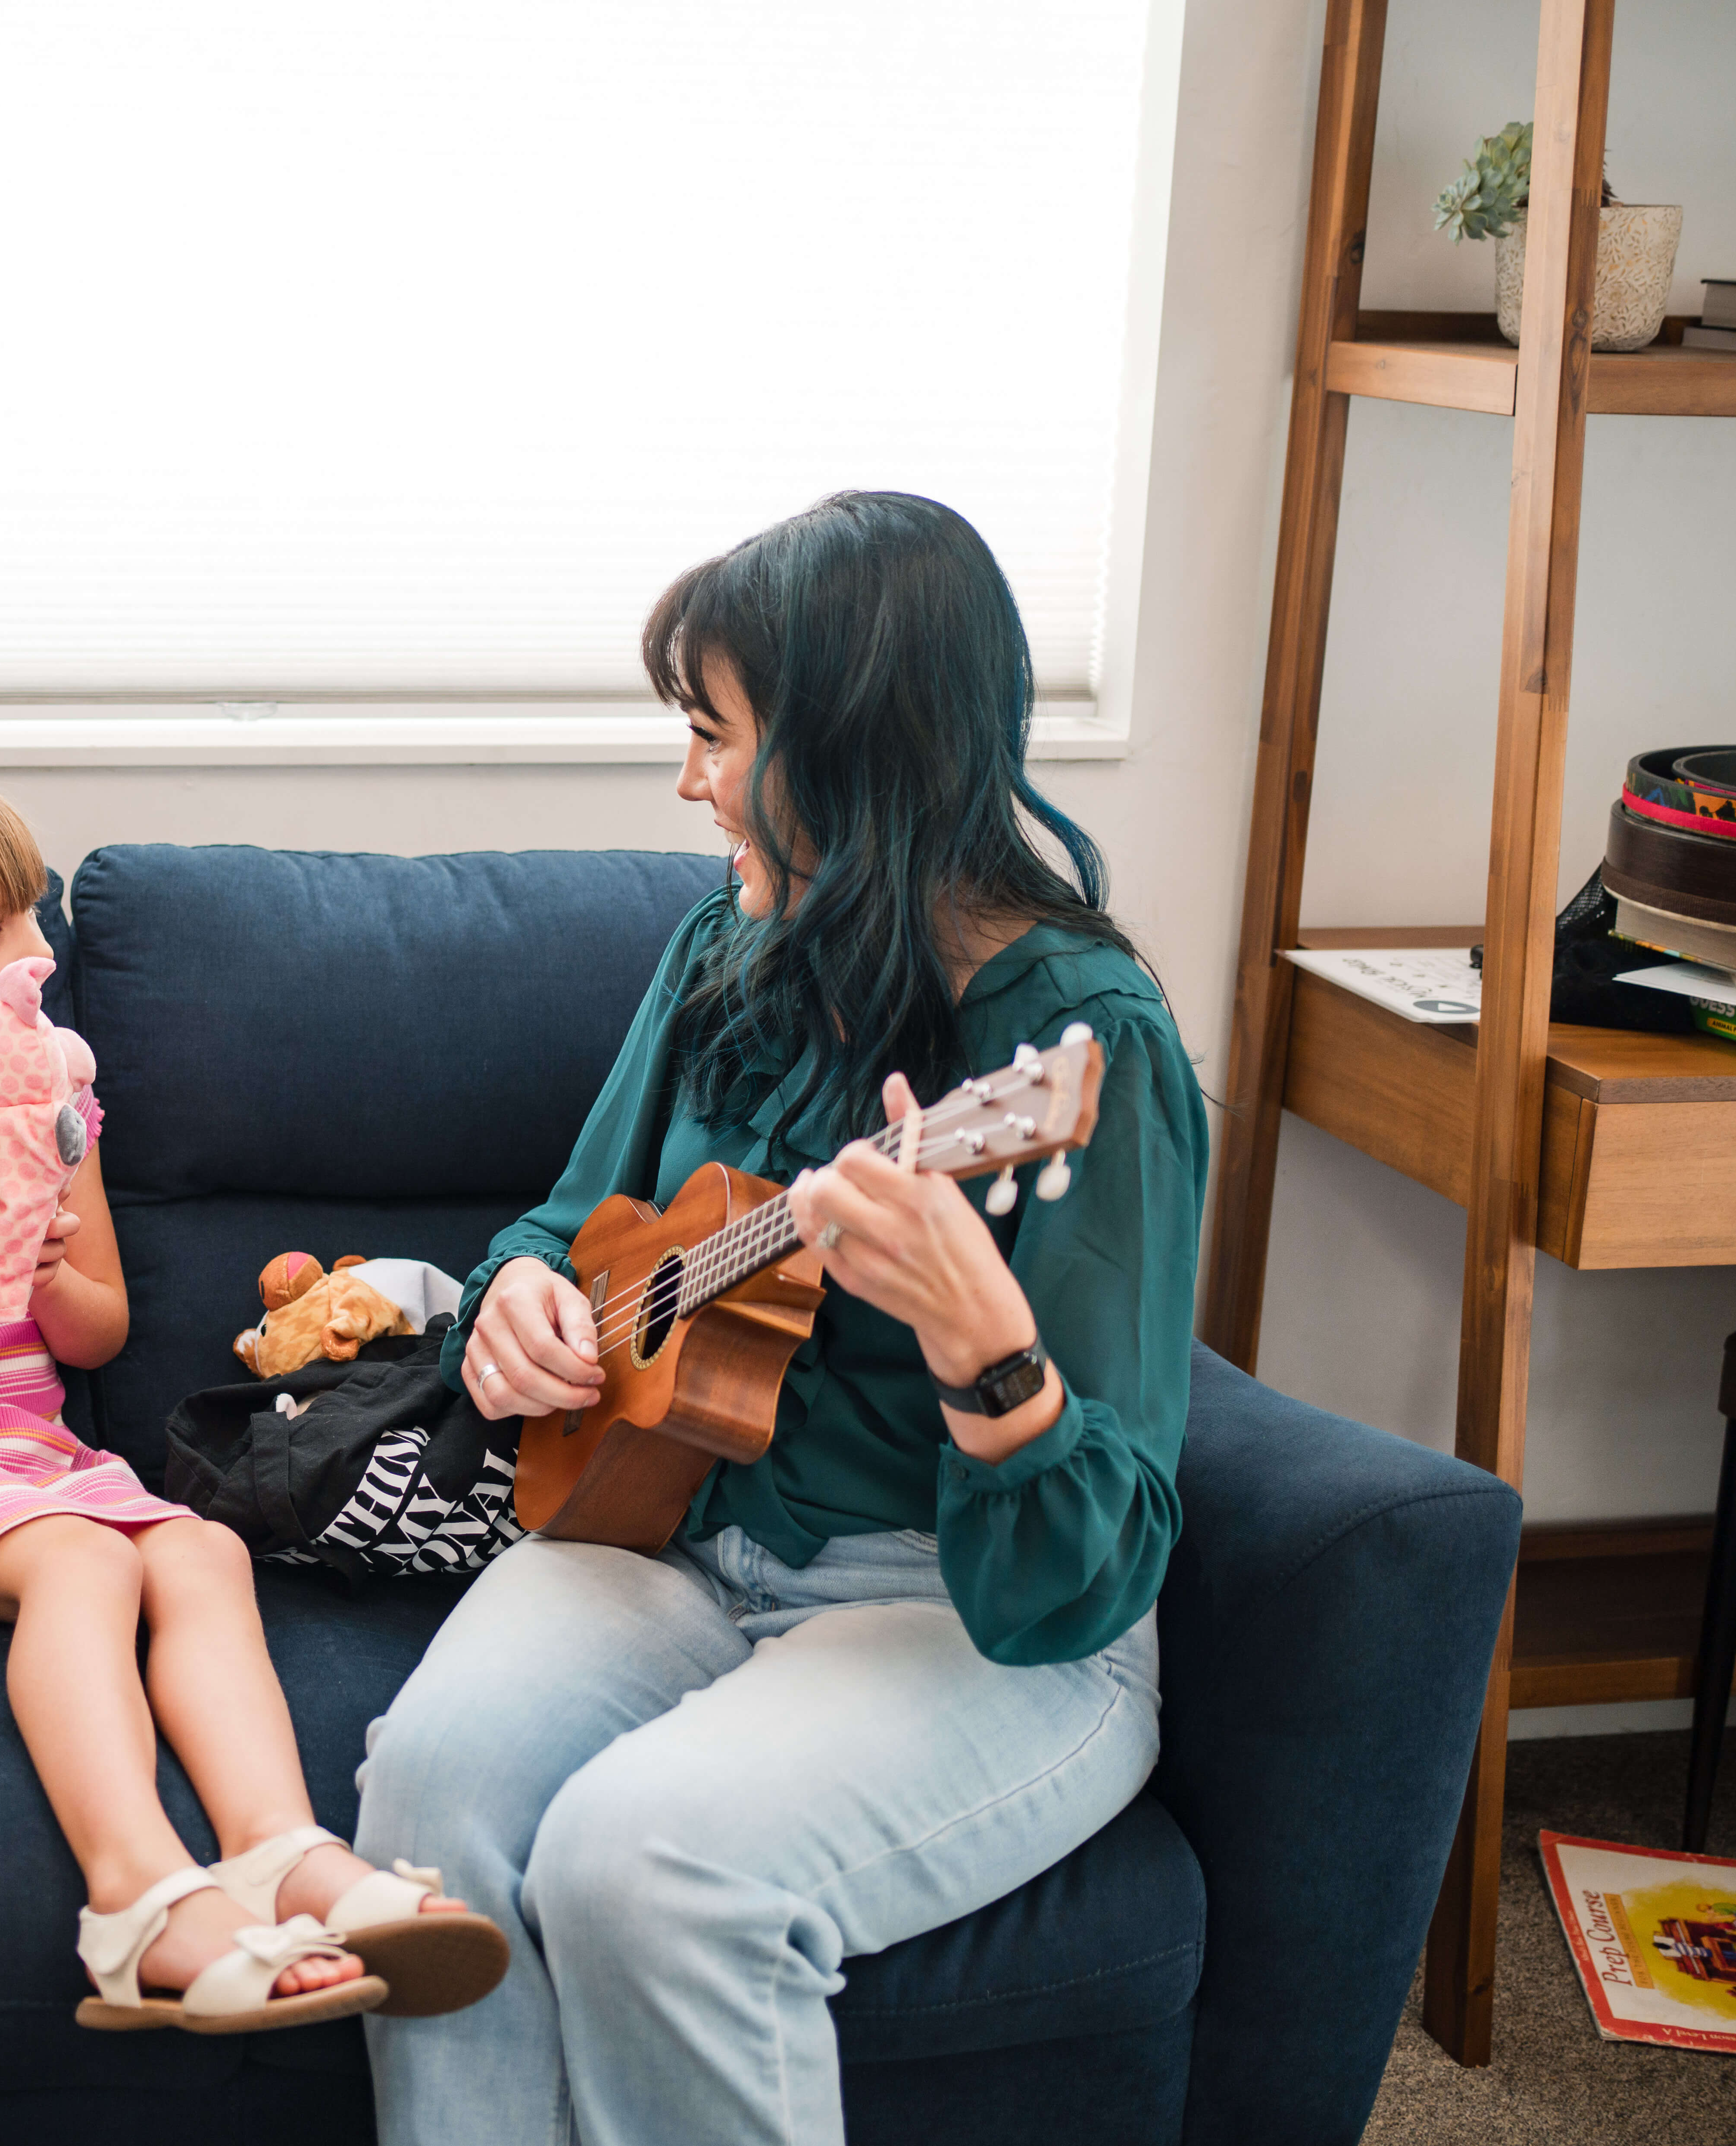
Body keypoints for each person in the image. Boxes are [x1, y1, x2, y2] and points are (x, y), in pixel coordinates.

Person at [355, 493, 1206, 2143]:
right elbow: (563, 1215)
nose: (685, 782)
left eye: (711, 732)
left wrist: (989, 1352)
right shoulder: (721, 945)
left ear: (850, 744)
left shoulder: (1079, 1043)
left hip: (968, 1614)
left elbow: (1091, 1565)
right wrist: (517, 1299)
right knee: (425, 1804)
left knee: (645, 1864)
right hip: (666, 1533)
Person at [0, 754, 508, 2035]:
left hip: (26, 1448)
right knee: (84, 1564)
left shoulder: (51, 1096)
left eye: (30, 915)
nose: (35, 953)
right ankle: (135, 1896)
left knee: (199, 1558)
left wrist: (48, 1258)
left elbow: (94, 1332)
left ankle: (281, 1849)